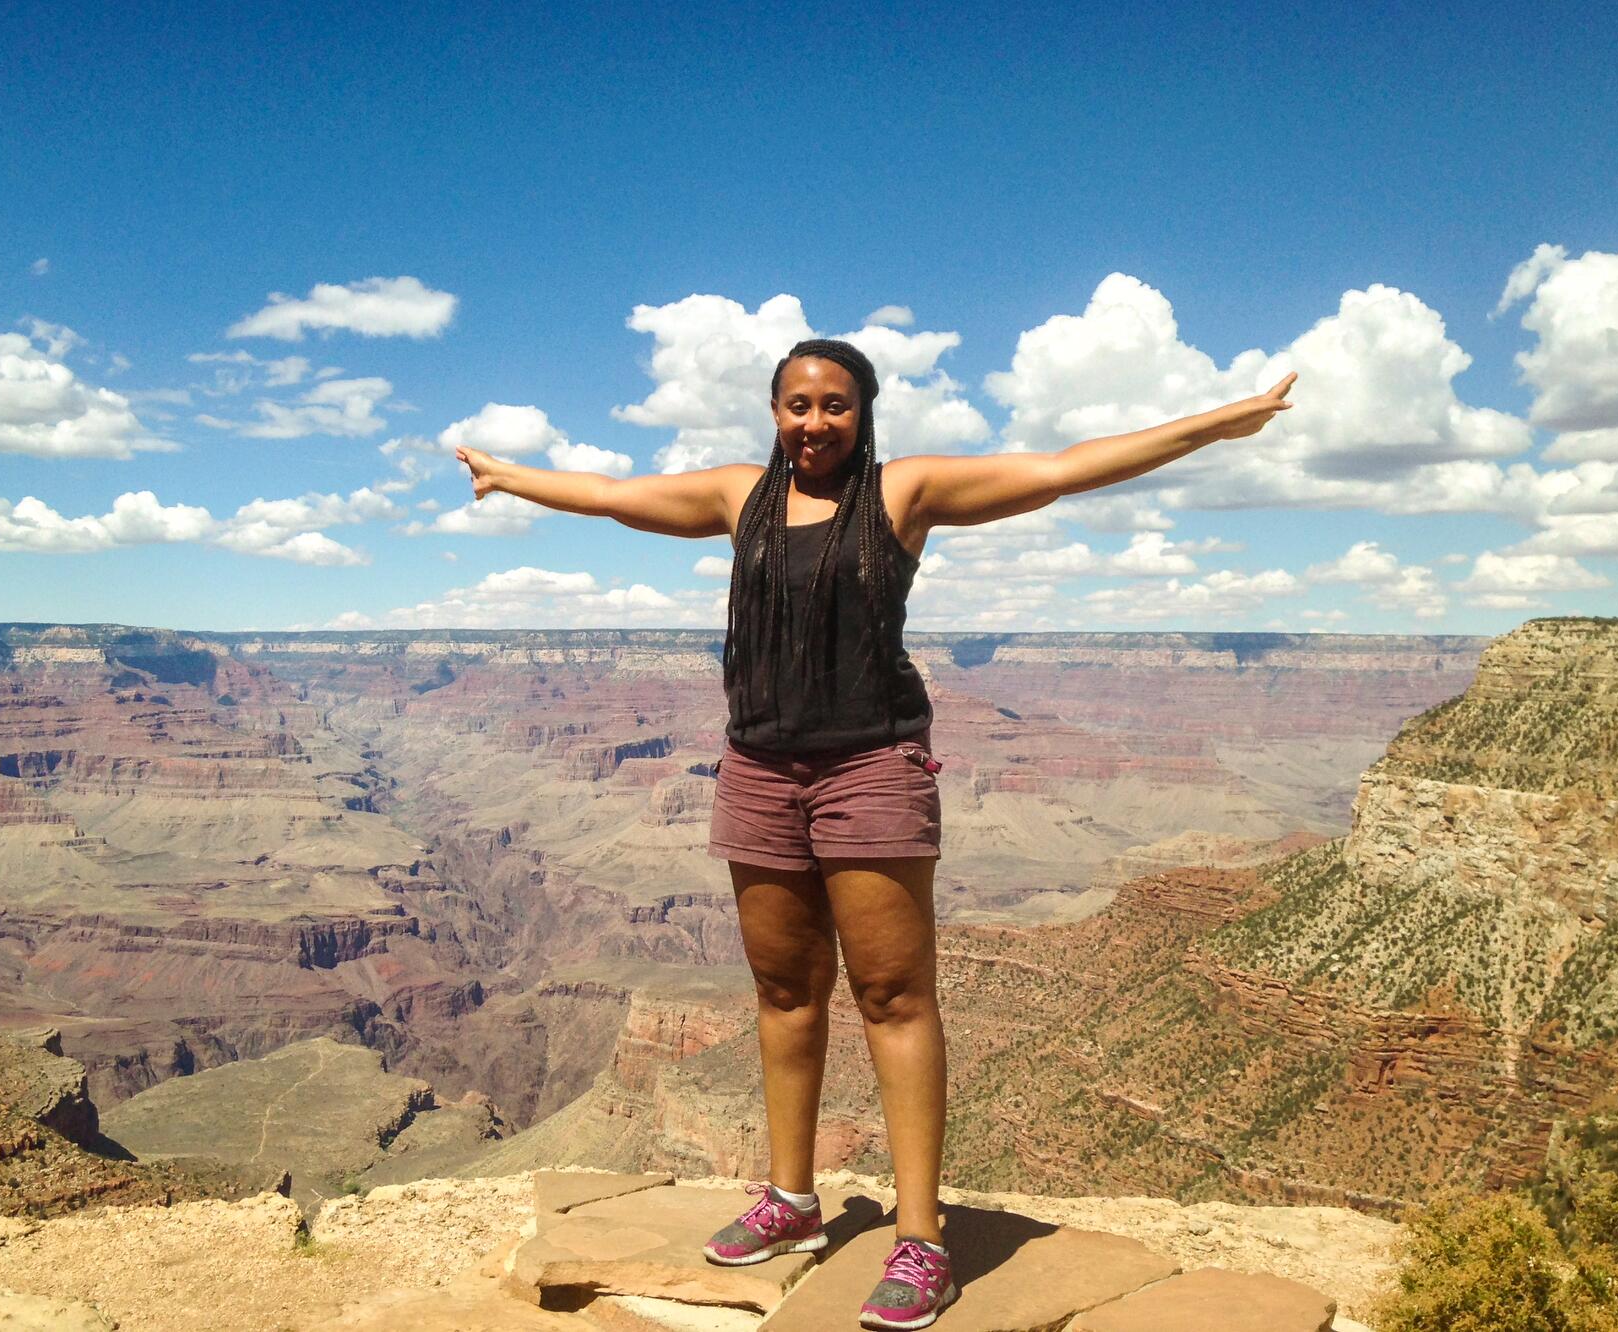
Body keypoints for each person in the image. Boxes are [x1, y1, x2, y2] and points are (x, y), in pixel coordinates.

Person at [455, 338, 1295, 1330]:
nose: (815, 424)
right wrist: (512, 477)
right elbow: (609, 493)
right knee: (781, 989)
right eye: (797, 405)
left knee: (892, 995)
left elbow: (1062, 469)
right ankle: (791, 1203)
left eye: (835, 406)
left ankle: (918, 1239)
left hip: (871, 771)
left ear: (863, 413)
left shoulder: (903, 496)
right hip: (760, 770)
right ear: (774, 414)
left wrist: (1215, 424)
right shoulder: (739, 500)